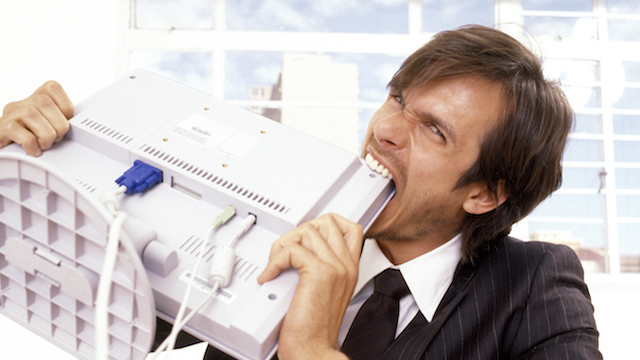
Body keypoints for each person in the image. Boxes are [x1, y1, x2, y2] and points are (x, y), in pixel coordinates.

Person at [1, 25, 600, 360]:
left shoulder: (534, 283)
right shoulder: (273, 222)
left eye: (434, 131)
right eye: (397, 99)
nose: (385, 131)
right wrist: (12, 163)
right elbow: (63, 284)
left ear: (486, 195)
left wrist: (311, 345)